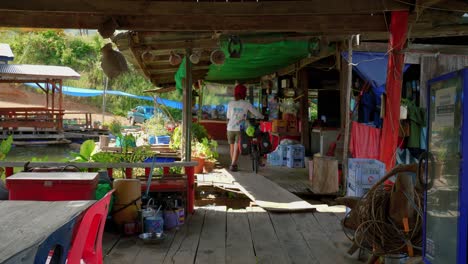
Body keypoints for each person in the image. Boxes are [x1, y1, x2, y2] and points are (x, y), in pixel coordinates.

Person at [226, 84, 264, 172]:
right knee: (236, 147)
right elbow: (256, 113)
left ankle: (233, 164)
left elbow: (228, 116)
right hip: (239, 129)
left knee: (232, 147)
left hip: (230, 128)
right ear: (244, 93)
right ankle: (233, 164)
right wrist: (262, 117)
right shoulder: (246, 104)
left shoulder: (230, 103)